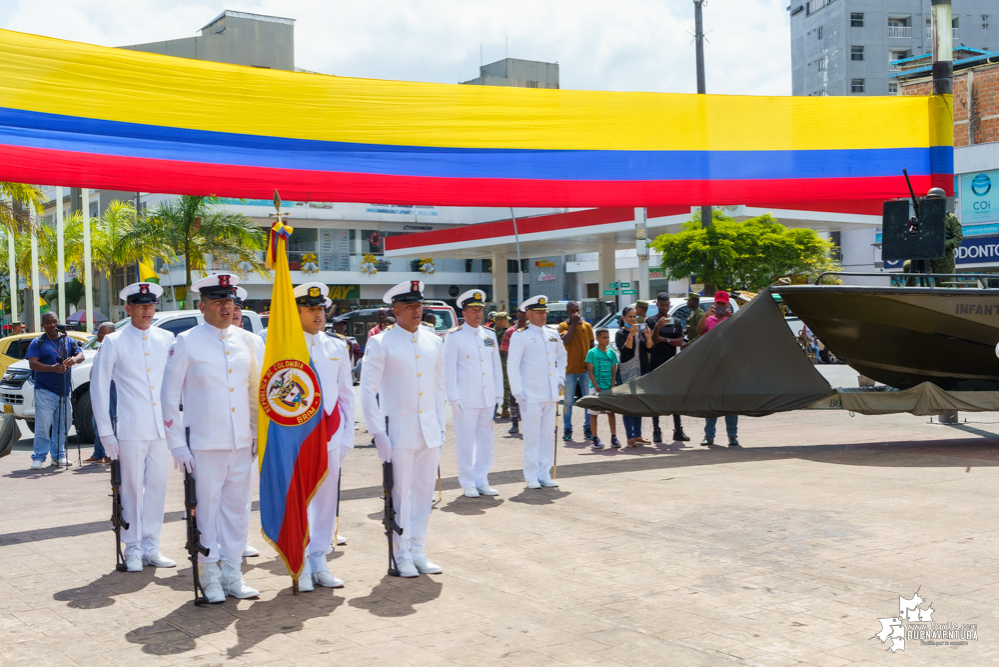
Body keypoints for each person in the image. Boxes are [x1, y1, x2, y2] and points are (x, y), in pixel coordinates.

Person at [161, 273, 262, 602]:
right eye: (218, 301)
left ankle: (233, 574)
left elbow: (256, 391)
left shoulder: (249, 341)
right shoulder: (187, 341)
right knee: (206, 511)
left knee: (238, 511)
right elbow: (168, 396)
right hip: (204, 445)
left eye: (229, 301)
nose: (225, 307)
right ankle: (210, 575)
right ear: (202, 306)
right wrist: (176, 443)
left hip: (242, 442)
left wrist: (259, 434)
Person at [360, 280, 447, 578]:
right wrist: (377, 433)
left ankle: (419, 550)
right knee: (400, 495)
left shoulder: (433, 340)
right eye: (409, 306)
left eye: (419, 305)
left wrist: (440, 426)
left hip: (428, 431)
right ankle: (401, 553)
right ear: (395, 311)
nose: (416, 311)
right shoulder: (381, 343)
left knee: (424, 492)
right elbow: (367, 391)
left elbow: (438, 387)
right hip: (399, 431)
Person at [90, 282, 176, 571]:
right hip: (130, 428)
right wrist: (105, 430)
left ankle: (152, 545)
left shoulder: (167, 338)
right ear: (129, 308)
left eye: (151, 304)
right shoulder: (114, 342)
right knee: (131, 489)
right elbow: (99, 386)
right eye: (141, 305)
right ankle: (134, 548)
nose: (147, 310)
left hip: (162, 429)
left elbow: (176, 385)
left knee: (157, 488)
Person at [292, 283, 355, 591]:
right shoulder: (282, 345)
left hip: (330, 434)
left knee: (327, 501)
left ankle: (319, 557)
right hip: (297, 436)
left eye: (321, 309)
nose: (318, 315)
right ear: (297, 312)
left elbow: (345, 395)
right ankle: (300, 561)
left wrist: (346, 437)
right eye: (310, 309)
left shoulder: (336, 346)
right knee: (299, 500)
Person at [444, 290, 503, 498]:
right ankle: (468, 482)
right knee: (466, 442)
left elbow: (495, 367)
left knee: (486, 442)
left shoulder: (489, 335)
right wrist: (453, 397)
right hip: (466, 400)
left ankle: (482, 480)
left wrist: (499, 395)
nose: (478, 314)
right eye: (474, 310)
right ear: (464, 312)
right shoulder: (455, 336)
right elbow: (448, 369)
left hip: (487, 398)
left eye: (480, 309)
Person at [508, 295, 567, 489]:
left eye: (544, 312)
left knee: (547, 435)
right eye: (539, 312)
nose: (543, 315)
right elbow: (513, 365)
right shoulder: (521, 335)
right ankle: (531, 476)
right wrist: (517, 391)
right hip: (530, 395)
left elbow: (562, 354)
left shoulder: (551, 333)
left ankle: (544, 473)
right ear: (529, 314)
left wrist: (560, 377)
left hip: (550, 393)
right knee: (531, 437)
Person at [27, 312, 84, 469]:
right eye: (48, 322)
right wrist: (52, 368)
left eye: (54, 322)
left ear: (59, 322)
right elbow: (33, 364)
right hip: (44, 390)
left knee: (63, 425)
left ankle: (58, 456)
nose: (52, 325)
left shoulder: (67, 340)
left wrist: (74, 359)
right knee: (43, 426)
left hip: (64, 391)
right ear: (42, 325)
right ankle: (39, 457)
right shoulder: (38, 342)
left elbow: (81, 355)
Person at [695, 290, 740, 447]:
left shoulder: (732, 319)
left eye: (723, 303)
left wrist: (731, 317)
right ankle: (709, 435)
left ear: (728, 304)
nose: (720, 306)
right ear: (715, 303)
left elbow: (742, 332)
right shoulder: (709, 319)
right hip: (712, 366)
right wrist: (705, 315)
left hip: (729, 366)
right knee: (711, 401)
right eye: (718, 303)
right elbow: (699, 331)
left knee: (730, 402)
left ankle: (732, 436)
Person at [646, 293, 688, 443]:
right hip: (656, 364)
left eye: (667, 305)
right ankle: (656, 430)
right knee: (656, 397)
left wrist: (666, 339)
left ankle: (678, 430)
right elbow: (654, 340)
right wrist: (658, 327)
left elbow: (680, 341)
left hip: (672, 365)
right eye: (662, 305)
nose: (665, 307)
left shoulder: (676, 321)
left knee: (674, 397)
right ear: (657, 304)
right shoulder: (651, 321)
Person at [557, 301, 595, 441]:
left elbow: (592, 346)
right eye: (573, 311)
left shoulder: (587, 326)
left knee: (587, 399)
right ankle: (567, 429)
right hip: (569, 370)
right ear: (567, 312)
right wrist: (573, 324)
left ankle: (588, 428)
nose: (576, 313)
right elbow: (565, 340)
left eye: (577, 310)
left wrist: (591, 364)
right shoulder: (563, 326)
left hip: (585, 370)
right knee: (568, 402)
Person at [615, 307, 652, 447]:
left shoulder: (640, 332)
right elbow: (625, 352)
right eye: (629, 316)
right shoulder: (620, 333)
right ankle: (629, 436)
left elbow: (650, 349)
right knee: (628, 405)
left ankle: (638, 435)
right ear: (623, 318)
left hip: (642, 371)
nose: (632, 319)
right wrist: (631, 334)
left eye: (634, 316)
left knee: (638, 404)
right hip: (627, 373)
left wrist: (648, 337)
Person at [86, 322, 118, 463]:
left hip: (109, 386)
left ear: (110, 334)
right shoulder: (101, 347)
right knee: (96, 420)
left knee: (109, 419)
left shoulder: (114, 347)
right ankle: (99, 453)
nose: (97, 334)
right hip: (99, 387)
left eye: (100, 332)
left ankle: (110, 454)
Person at [585, 328, 619, 450]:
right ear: (597, 338)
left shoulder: (612, 353)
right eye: (604, 337)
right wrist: (596, 387)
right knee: (594, 413)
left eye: (608, 337)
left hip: (608, 388)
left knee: (611, 412)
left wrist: (612, 386)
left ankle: (614, 437)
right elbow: (590, 371)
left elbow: (613, 371)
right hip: (596, 388)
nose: (606, 340)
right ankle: (594, 438)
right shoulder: (592, 353)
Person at [501, 310, 527, 431]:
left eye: (524, 313)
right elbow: (506, 352)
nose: (522, 315)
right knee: (513, 396)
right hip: (515, 370)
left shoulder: (531, 331)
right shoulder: (510, 332)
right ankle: (515, 423)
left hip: (529, 371)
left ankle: (528, 422)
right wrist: (510, 369)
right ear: (516, 315)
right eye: (520, 313)